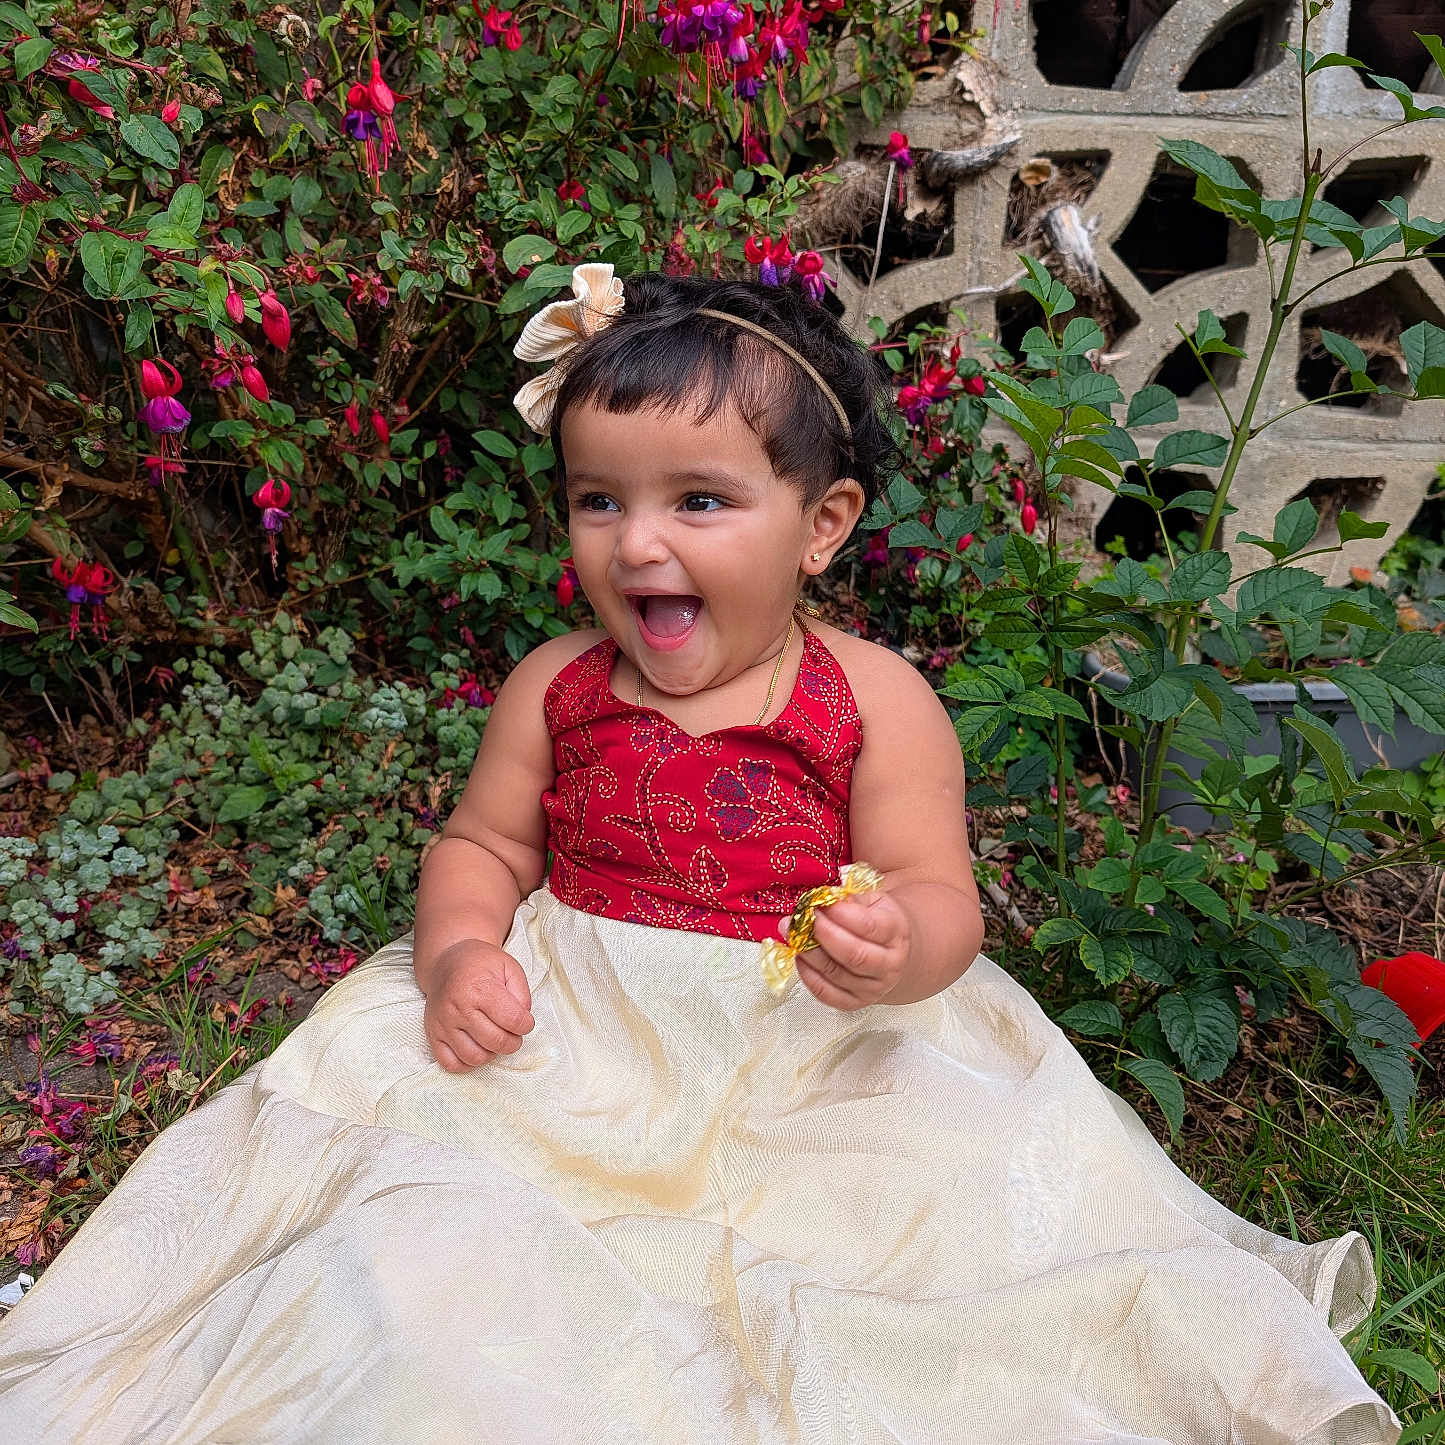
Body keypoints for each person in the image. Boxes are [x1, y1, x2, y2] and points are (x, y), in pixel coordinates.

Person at [0, 264, 1400, 1445]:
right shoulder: (558, 684)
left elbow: (938, 893)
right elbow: (481, 840)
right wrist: (458, 949)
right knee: (422, 1217)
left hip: (812, 1046)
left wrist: (902, 945)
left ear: (823, 526)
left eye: (697, 501)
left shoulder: (869, 697)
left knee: (920, 1242)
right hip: (582, 1030)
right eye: (599, 500)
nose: (638, 540)